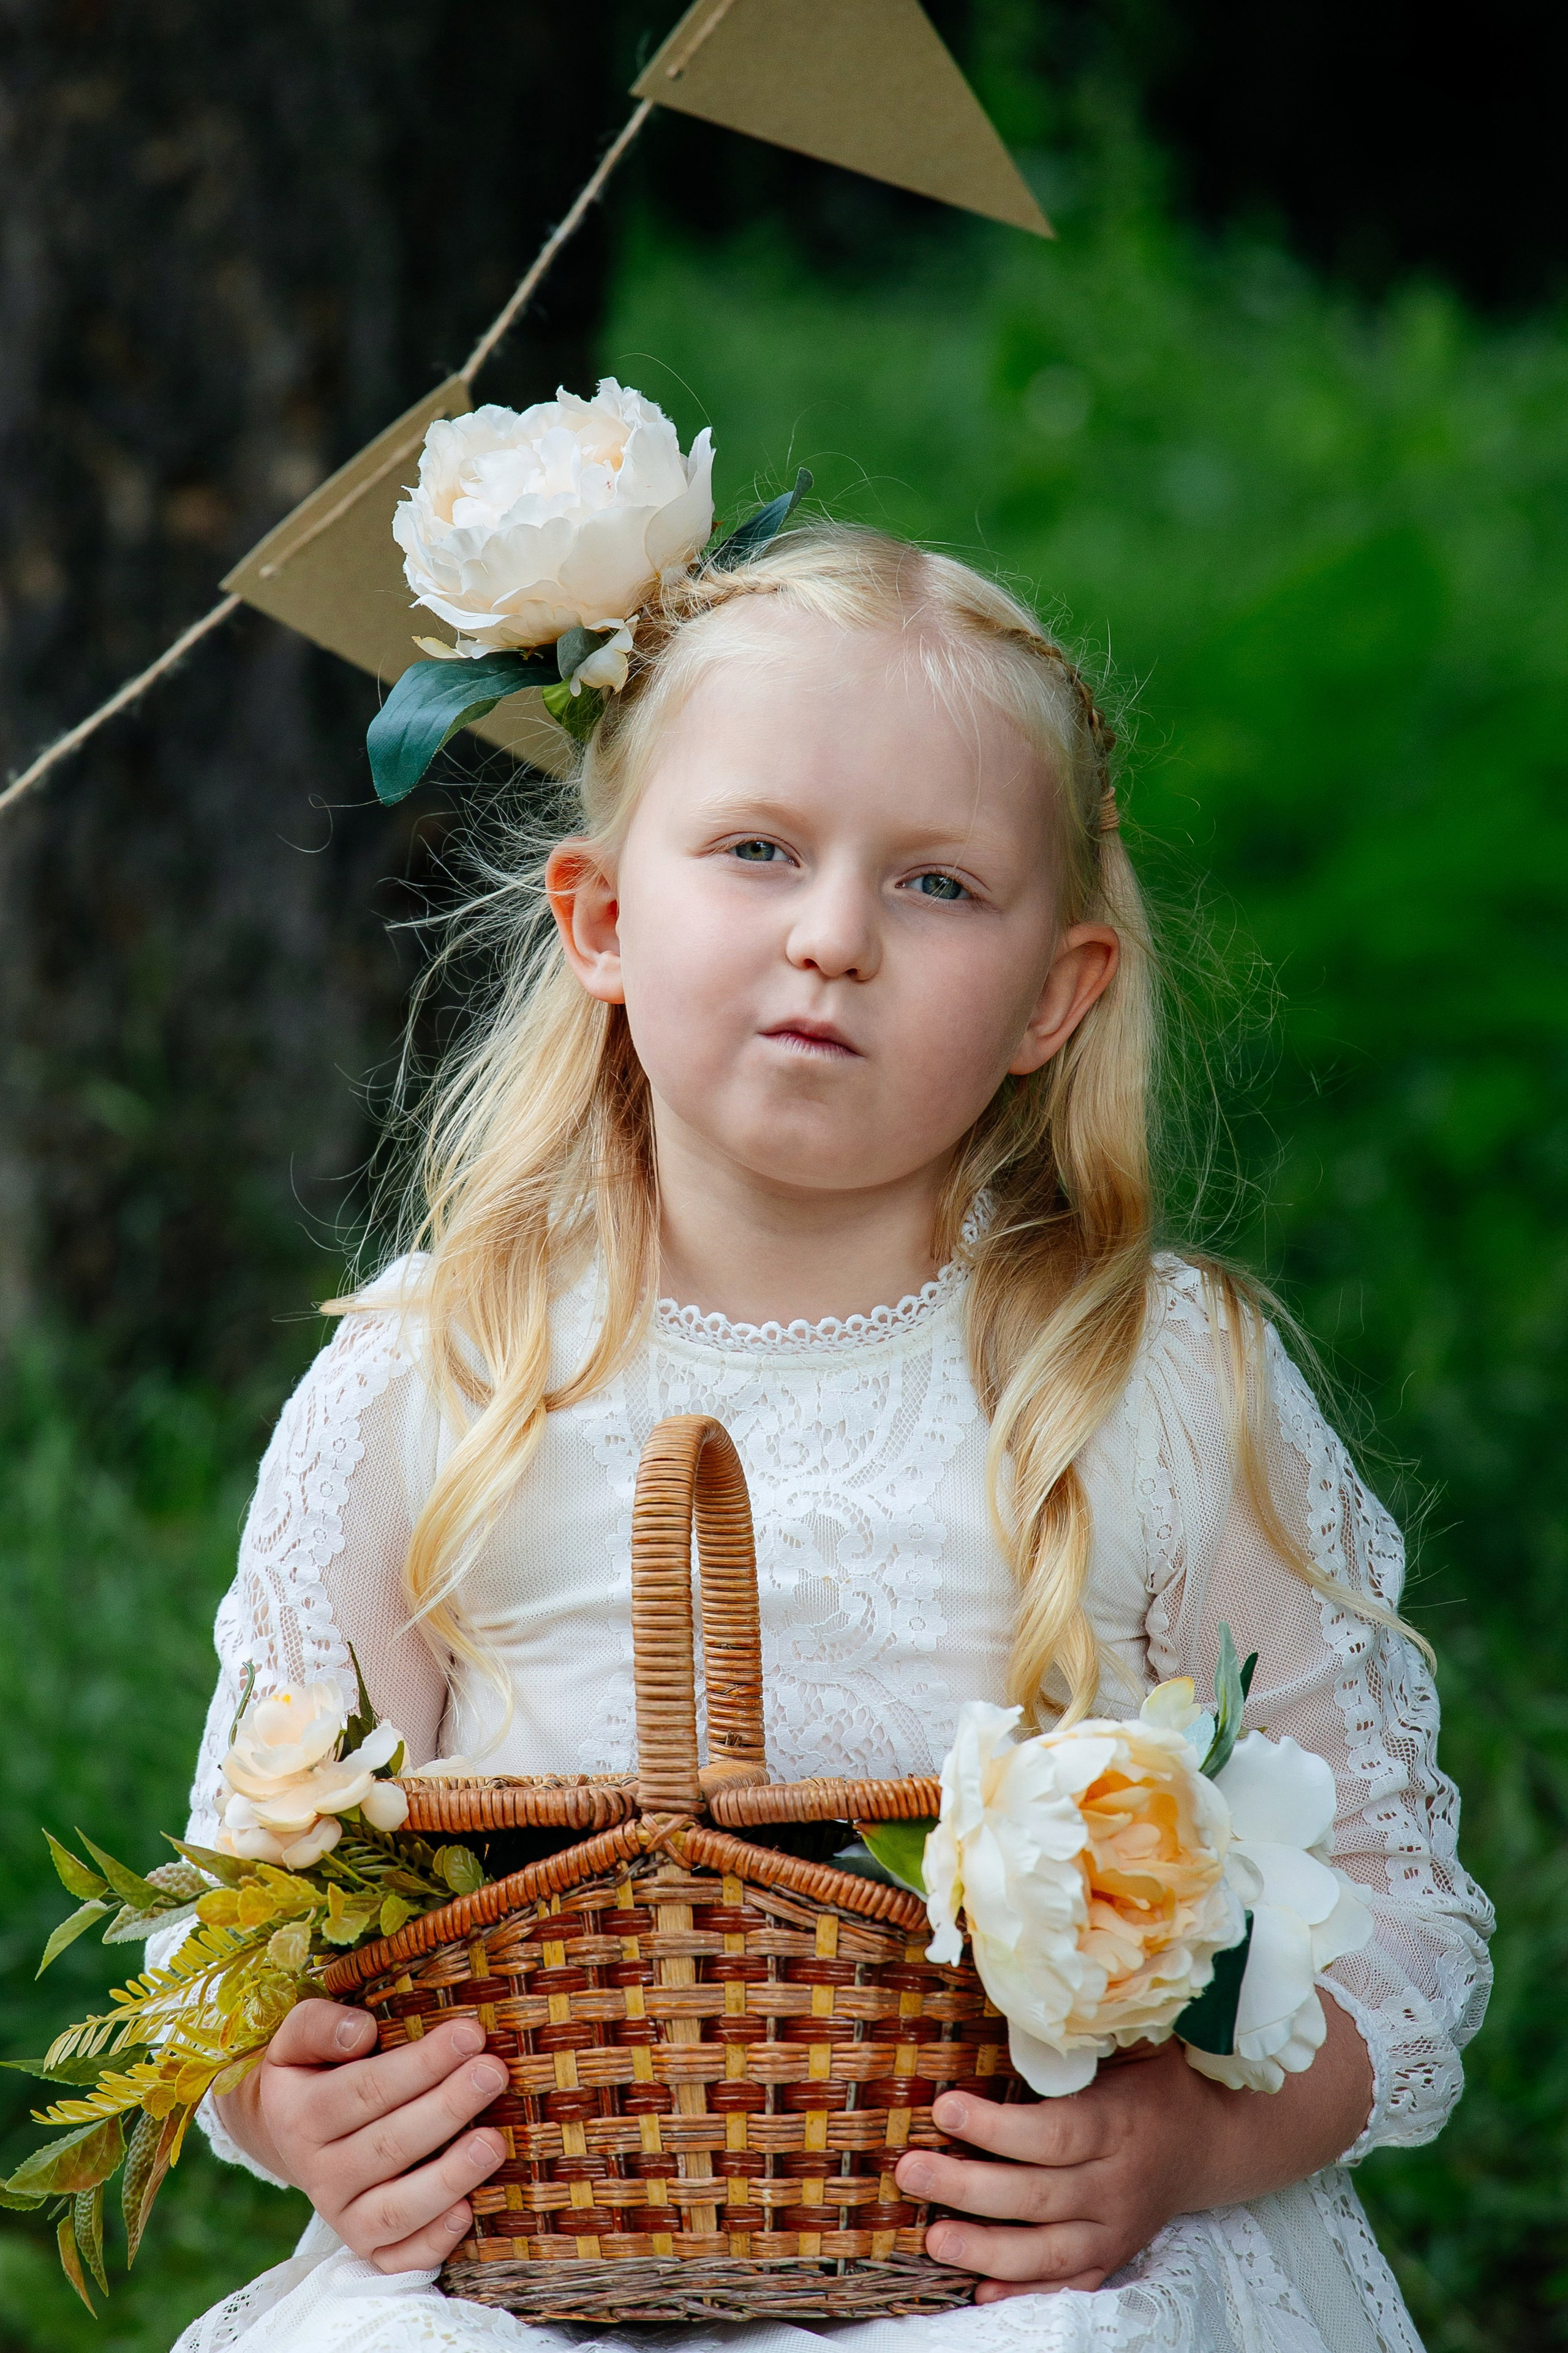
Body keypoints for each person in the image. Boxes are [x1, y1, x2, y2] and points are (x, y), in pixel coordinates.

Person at [166, 526, 1491, 2353]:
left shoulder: (1156, 1375)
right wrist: (286, 2099)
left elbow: (1402, 1925)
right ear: (605, 919)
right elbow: (237, 1918)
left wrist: (1191, 2139)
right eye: (759, 848)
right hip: (539, 2258)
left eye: (939, 883)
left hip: (1020, 2267)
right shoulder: (435, 1373)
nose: (835, 935)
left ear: (1056, 991)